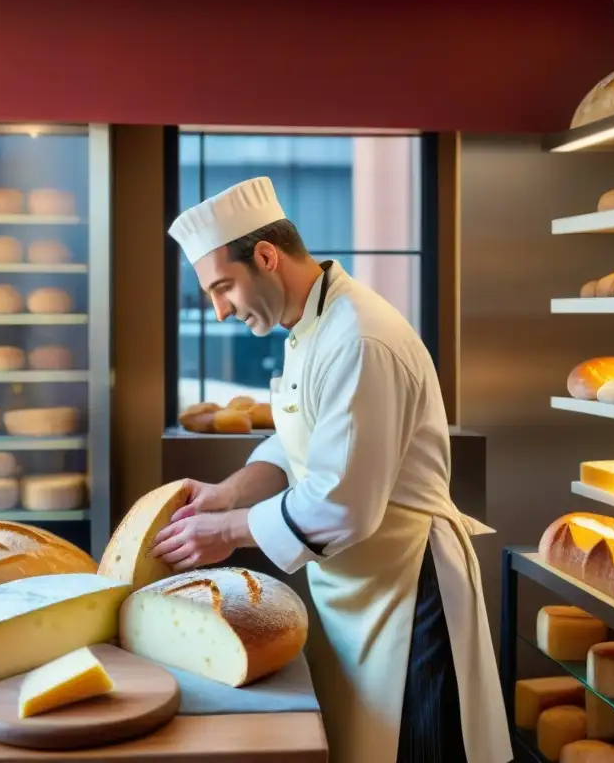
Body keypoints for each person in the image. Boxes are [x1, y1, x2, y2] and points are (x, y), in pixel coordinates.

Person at [155, 176, 512, 763]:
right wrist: (227, 492)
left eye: (223, 287)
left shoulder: (359, 337)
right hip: (358, 590)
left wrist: (223, 531)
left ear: (266, 257)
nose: (219, 311)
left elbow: (340, 504)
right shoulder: (310, 328)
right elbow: (301, 442)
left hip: (408, 594)